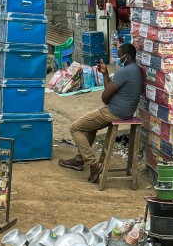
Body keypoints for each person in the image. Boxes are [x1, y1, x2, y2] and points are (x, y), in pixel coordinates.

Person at [59, 43, 142, 182]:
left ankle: (93, 164)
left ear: (126, 56)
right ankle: (79, 160)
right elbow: (109, 88)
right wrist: (105, 73)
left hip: (113, 112)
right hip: (124, 111)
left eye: (120, 55)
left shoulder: (124, 71)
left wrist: (108, 96)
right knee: (90, 128)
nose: (118, 58)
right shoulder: (135, 70)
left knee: (75, 128)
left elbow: (105, 96)